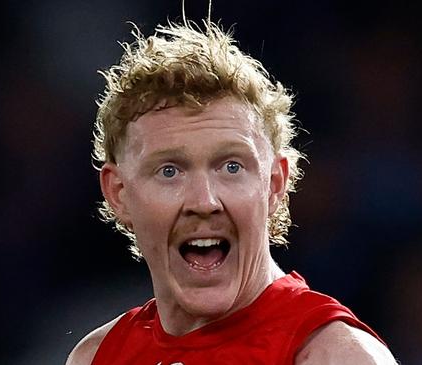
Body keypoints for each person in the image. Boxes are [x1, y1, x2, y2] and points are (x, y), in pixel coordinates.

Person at [66, 16, 398, 365]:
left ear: (274, 184)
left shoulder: (336, 356)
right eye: (169, 171)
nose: (204, 201)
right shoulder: (97, 357)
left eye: (231, 167)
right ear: (118, 193)